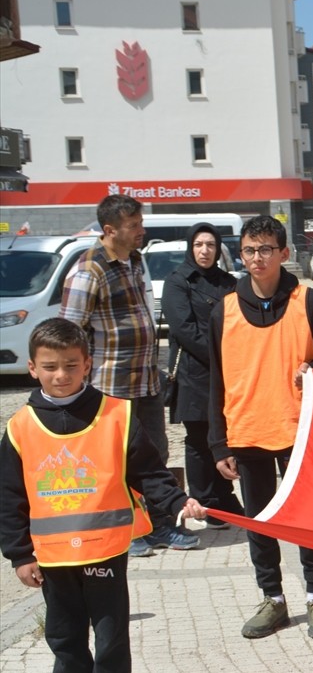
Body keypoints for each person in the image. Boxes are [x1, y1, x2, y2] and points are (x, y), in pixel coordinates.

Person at [0, 318, 206, 673]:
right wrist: (20, 554)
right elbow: (9, 498)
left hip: (107, 549)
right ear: (33, 368)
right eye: (51, 366)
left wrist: (178, 501)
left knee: (111, 633)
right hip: (52, 556)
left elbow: (148, 472)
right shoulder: (19, 428)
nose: (61, 375)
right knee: (64, 634)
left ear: (88, 364)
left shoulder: (117, 415)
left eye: (71, 365)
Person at [209, 216, 313, 640]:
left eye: (266, 249)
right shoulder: (224, 309)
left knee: (307, 519)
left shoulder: (309, 302)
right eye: (250, 250)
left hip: (300, 429)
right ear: (241, 254)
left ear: (284, 253)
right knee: (260, 521)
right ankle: (272, 598)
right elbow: (216, 379)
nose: (257, 258)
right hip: (247, 430)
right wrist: (218, 444)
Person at [59, 194, 199, 557]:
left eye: (140, 223)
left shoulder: (135, 260)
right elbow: (69, 335)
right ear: (109, 230)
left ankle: (160, 526)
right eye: (133, 225)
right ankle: (125, 531)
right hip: (110, 385)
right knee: (113, 461)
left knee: (153, 455)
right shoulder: (88, 270)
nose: (141, 230)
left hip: (146, 380)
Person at [160, 223, 243, 529]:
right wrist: (222, 357)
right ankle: (205, 500)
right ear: (190, 248)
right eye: (198, 245)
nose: (204, 251)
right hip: (194, 372)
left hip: (228, 372)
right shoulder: (178, 281)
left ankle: (225, 496)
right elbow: (184, 329)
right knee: (198, 438)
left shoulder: (227, 282)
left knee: (222, 436)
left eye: (210, 245)